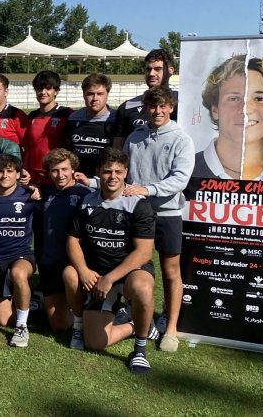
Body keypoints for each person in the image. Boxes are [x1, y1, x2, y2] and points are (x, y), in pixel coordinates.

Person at [65, 148, 159, 375]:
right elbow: (73, 241)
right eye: (107, 171)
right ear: (98, 172)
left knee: (143, 287)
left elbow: (144, 253)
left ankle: (140, 349)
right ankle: (128, 323)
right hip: (97, 274)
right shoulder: (88, 201)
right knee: (94, 342)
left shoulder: (138, 204)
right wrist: (84, 270)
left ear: (126, 172)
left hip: (128, 272)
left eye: (118, 171)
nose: (113, 176)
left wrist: (110, 278)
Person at [120, 86, 193, 353]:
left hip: (167, 214)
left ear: (171, 107)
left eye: (163, 106)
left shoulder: (181, 138)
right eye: (153, 106)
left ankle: (171, 328)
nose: (158, 111)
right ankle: (135, 314)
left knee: (171, 272)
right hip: (136, 214)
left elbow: (179, 180)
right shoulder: (135, 137)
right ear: (146, 108)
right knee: (132, 267)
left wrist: (147, 189)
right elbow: (124, 173)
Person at [0, 155, 42, 348]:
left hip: (20, 255)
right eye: (0, 171)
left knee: (19, 273)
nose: (5, 175)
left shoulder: (30, 196)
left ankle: (22, 327)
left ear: (18, 174)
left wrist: (38, 187)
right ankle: (32, 301)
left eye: (9, 171)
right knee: (3, 320)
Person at [36, 148, 91, 335]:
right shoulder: (46, 192)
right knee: (58, 326)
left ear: (73, 169)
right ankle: (66, 308)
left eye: (64, 169)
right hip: (49, 261)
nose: (60, 175)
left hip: (73, 262)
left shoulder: (86, 194)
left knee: (71, 281)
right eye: (55, 170)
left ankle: (86, 319)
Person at [114, 49, 178, 148]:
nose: (151, 73)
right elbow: (117, 151)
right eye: (148, 69)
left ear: (170, 70)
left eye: (158, 69)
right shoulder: (127, 107)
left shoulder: (183, 102)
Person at [23, 70, 72, 186]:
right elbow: (29, 148)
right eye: (39, 88)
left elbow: (71, 148)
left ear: (56, 91)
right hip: (33, 177)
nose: (43, 92)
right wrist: (25, 169)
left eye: (48, 88)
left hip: (57, 176)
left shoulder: (67, 114)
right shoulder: (32, 116)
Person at [65, 73, 117, 178]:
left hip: (105, 182)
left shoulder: (116, 119)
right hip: (77, 180)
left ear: (108, 94)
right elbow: (68, 150)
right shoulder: (73, 118)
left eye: (100, 93)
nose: (95, 98)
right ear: (84, 94)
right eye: (90, 94)